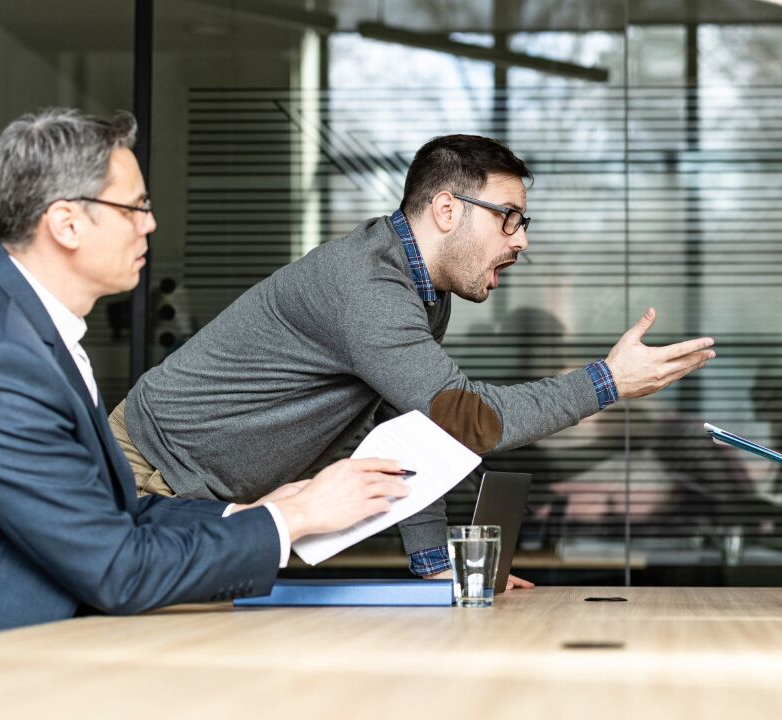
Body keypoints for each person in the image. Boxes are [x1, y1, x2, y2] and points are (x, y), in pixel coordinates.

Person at [111, 133, 716, 581]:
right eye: (508, 218)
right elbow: (468, 419)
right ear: (447, 210)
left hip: (206, 492)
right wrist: (607, 382)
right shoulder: (368, 287)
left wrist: (435, 566)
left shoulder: (421, 293)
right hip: (149, 475)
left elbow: (405, 435)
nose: (522, 239)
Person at [0, 108, 413, 632]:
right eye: (134, 207)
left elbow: (117, 518)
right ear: (67, 224)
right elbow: (116, 566)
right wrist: (295, 519)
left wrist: (258, 511)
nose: (150, 224)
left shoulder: (30, 327)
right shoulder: (0, 354)